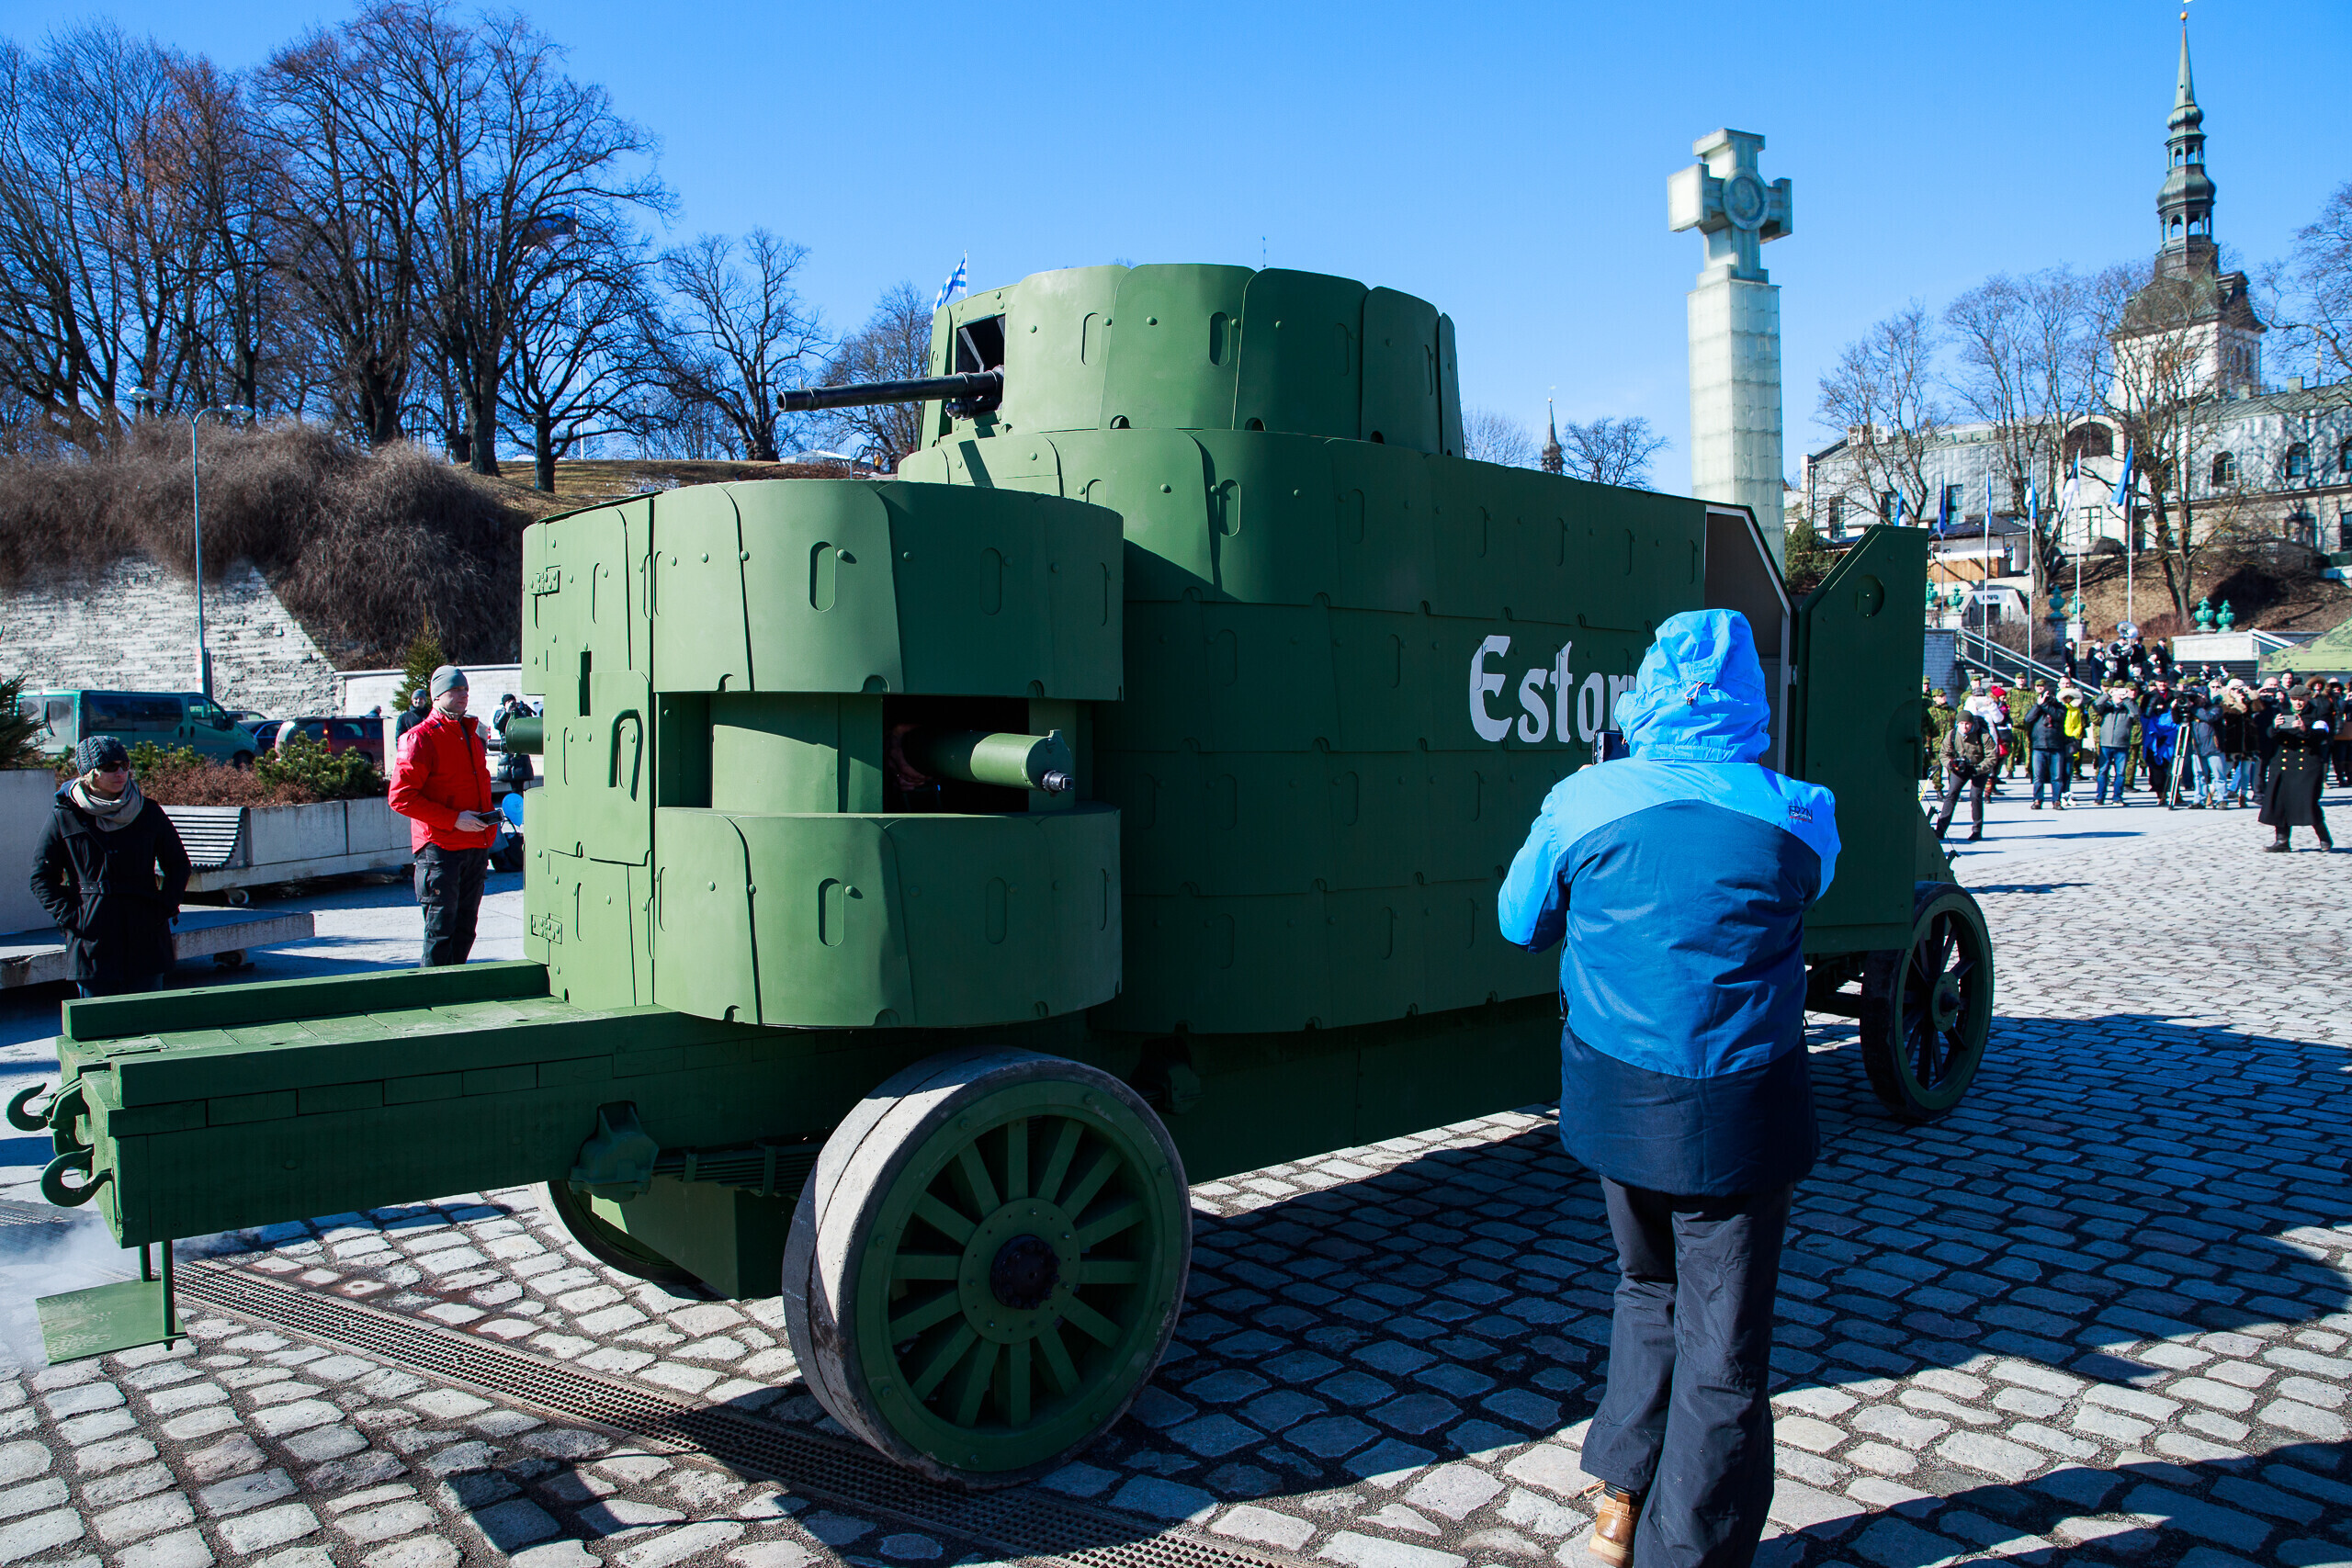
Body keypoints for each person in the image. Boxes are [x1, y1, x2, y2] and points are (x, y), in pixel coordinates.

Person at [1498, 610, 1837, 1568]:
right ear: (1751, 701)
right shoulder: (1801, 809)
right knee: (1723, 1350)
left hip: (1617, 1100)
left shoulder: (1582, 800)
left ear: (1644, 693)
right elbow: (1807, 885)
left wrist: (1593, 793)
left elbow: (1519, 920)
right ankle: (1686, 1552)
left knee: (1645, 1286)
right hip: (1740, 1111)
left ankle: (1619, 1502)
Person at [28, 736, 193, 998]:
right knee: (99, 1018)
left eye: (124, 765)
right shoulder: (66, 816)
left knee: (148, 1016)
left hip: (145, 933)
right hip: (93, 938)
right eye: (109, 767)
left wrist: (164, 907)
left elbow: (178, 865)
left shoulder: (148, 811)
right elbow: (41, 877)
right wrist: (72, 917)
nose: (120, 773)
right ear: (89, 773)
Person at [388, 665, 498, 965]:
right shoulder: (420, 738)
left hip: (474, 844)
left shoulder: (470, 732)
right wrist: (453, 819)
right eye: (455, 690)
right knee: (440, 933)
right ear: (437, 696)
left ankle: (456, 989)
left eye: (465, 689)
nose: (463, 695)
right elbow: (400, 797)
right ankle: (435, 990)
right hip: (440, 849)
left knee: (465, 930)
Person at [2260, 688, 2334, 851]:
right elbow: (2270, 735)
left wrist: (2304, 729)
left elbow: (2322, 735)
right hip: (2283, 764)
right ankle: (2282, 841)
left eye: (2301, 699)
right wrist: (2274, 727)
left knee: (2308, 802)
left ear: (2308, 698)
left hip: (2307, 765)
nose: (2298, 703)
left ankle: (2324, 837)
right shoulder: (2283, 712)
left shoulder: (2318, 713)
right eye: (2294, 699)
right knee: (2280, 802)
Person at [1934, 705, 1995, 841]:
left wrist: (1977, 769)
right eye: (1961, 724)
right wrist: (1950, 764)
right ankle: (1940, 830)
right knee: (1951, 795)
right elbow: (1943, 754)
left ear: (1972, 724)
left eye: (1967, 724)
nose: (1964, 727)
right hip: (1960, 769)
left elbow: (1991, 757)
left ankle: (1977, 830)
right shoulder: (1952, 734)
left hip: (1979, 768)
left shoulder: (1983, 735)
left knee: (1975, 796)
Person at [2025, 682, 2068, 809]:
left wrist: (2045, 705)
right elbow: (2028, 719)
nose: (2048, 698)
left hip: (2056, 746)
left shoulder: (2060, 708)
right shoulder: (2038, 707)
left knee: (2057, 777)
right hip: (2039, 746)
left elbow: (2058, 716)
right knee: (2038, 776)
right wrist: (2038, 705)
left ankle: (2056, 801)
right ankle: (2037, 800)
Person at [2093, 682, 2136, 806]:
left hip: (2122, 745)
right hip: (2105, 744)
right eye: (2117, 692)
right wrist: (2107, 694)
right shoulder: (2106, 707)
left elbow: (2136, 714)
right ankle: (2100, 797)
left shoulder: (2128, 707)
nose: (2118, 695)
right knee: (2103, 771)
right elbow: (2096, 705)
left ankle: (2117, 797)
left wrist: (2126, 699)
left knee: (2120, 773)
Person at [2142, 696, 2178, 805]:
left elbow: (2175, 727)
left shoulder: (2170, 715)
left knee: (2170, 772)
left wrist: (2165, 738)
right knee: (2157, 774)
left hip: (2166, 748)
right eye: (2157, 705)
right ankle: (2161, 795)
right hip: (2153, 748)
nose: (2159, 707)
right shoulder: (2149, 717)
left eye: (2161, 705)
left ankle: (2175, 794)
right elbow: (2145, 724)